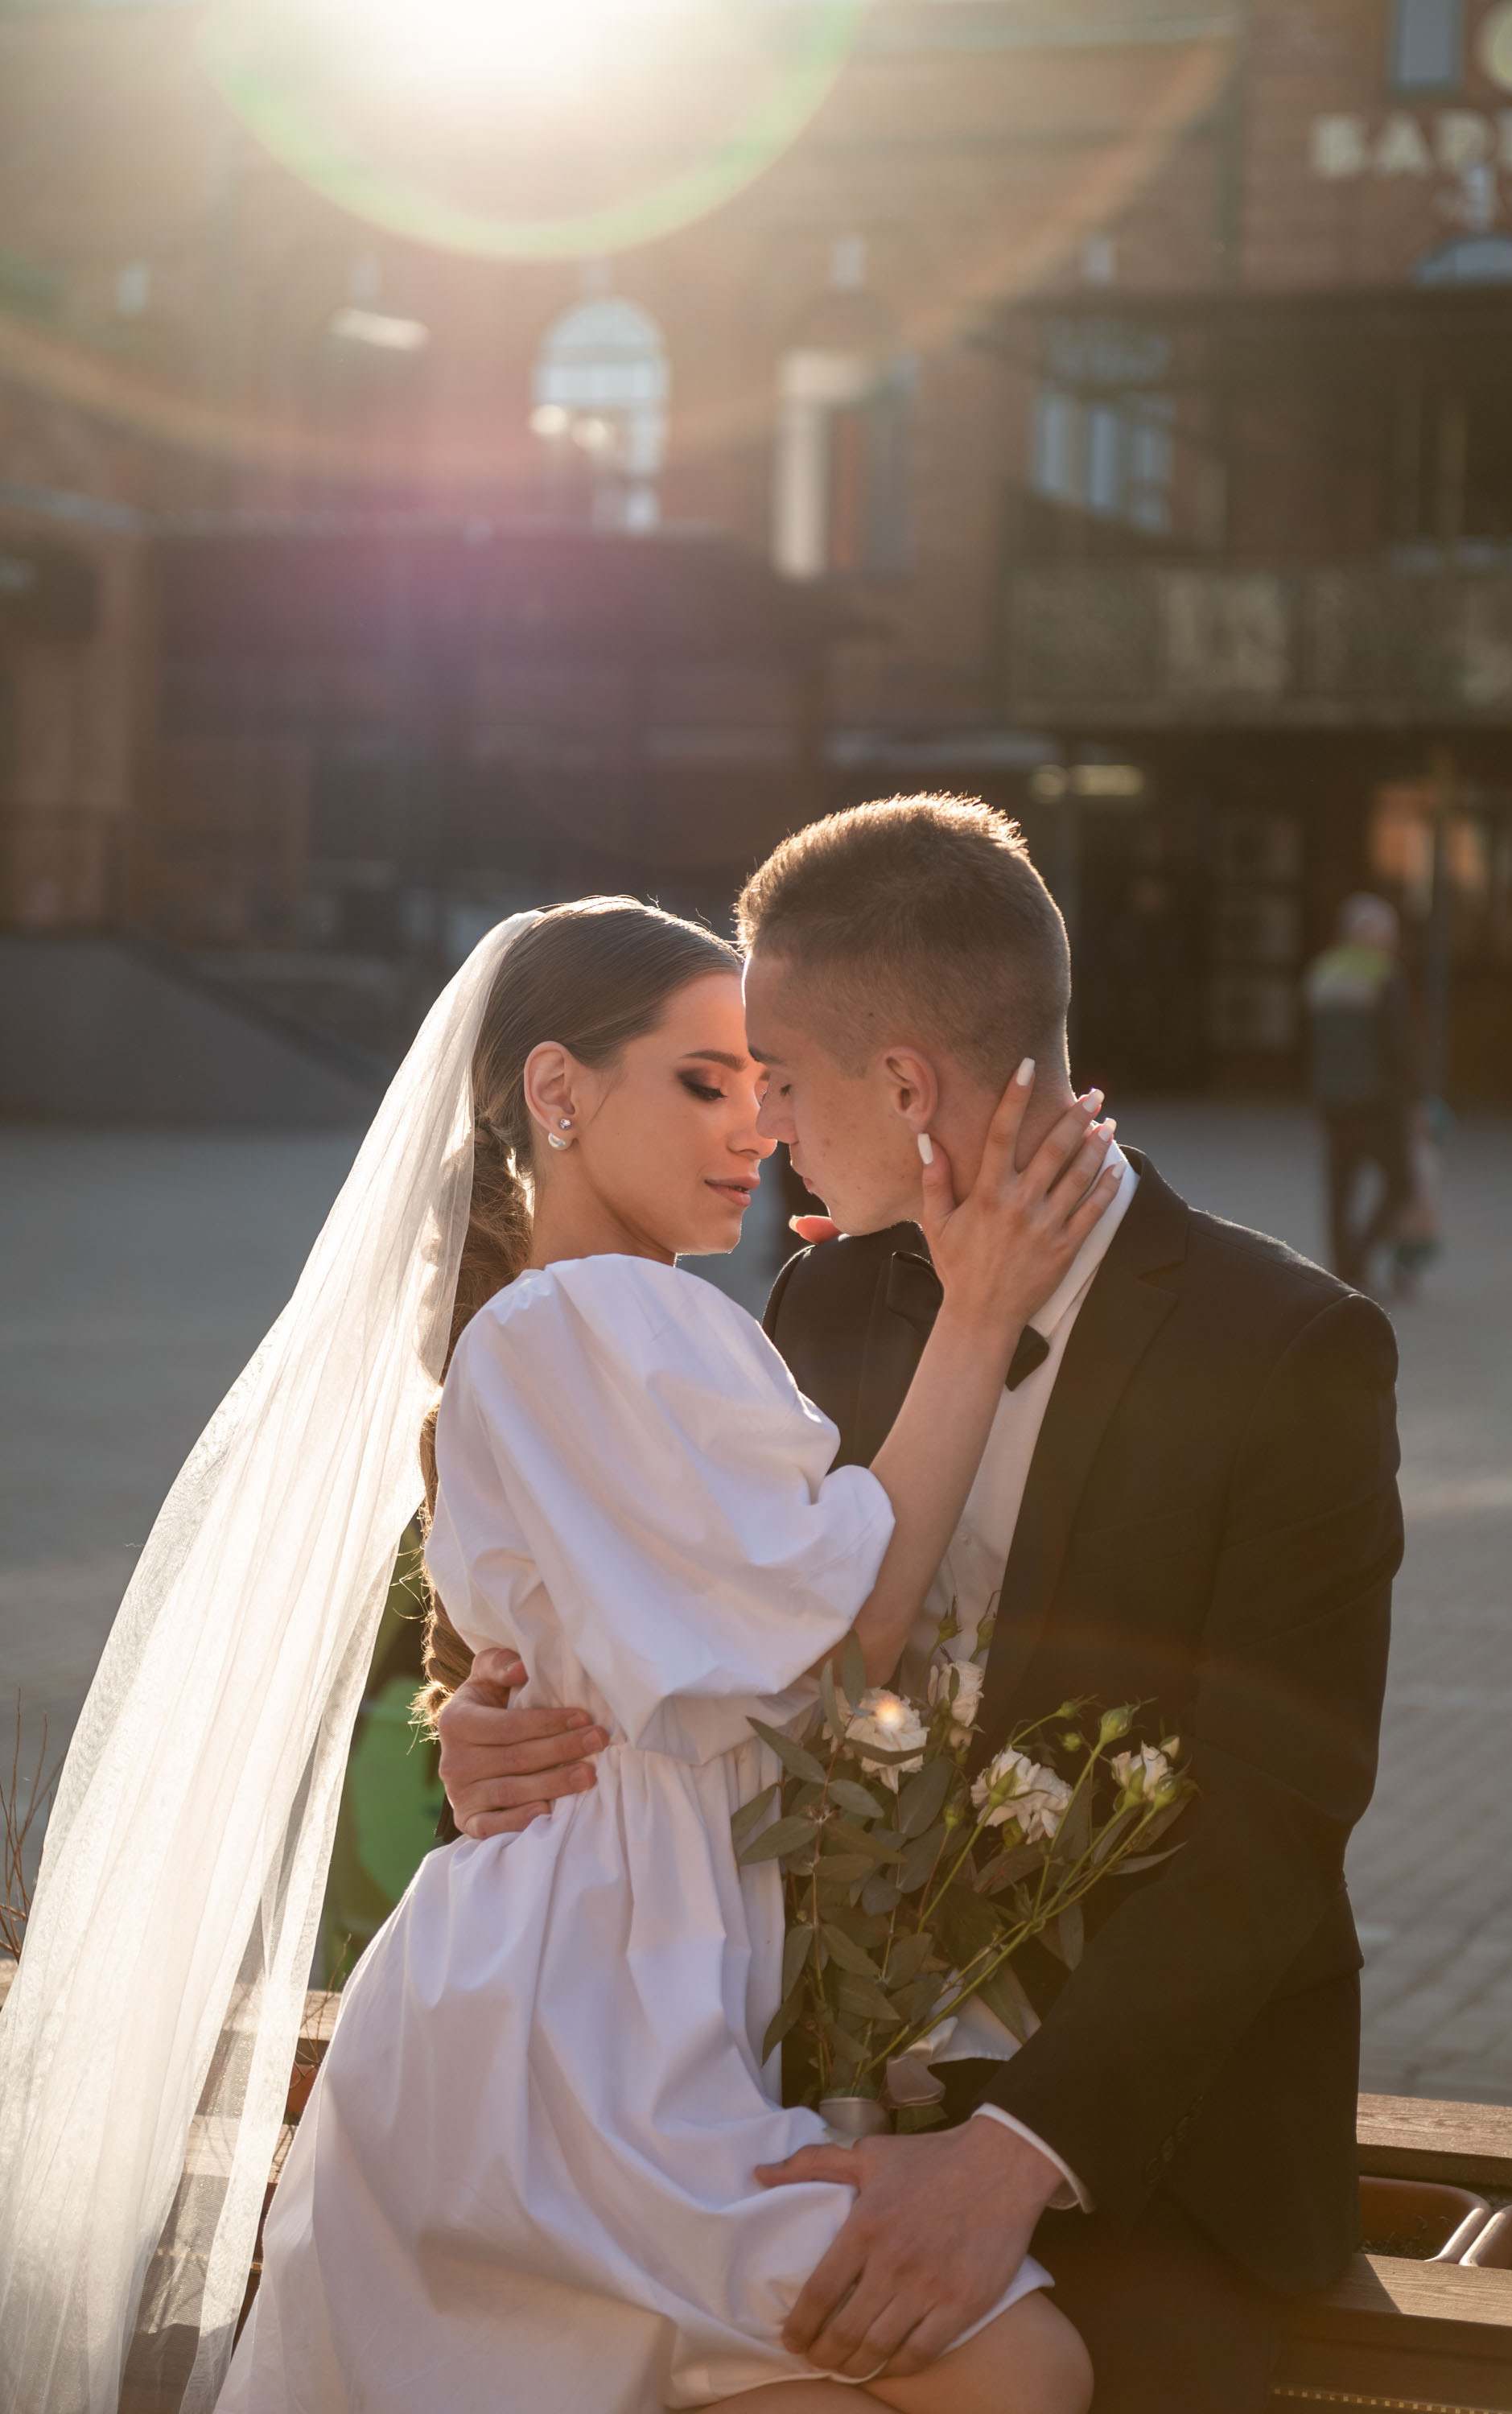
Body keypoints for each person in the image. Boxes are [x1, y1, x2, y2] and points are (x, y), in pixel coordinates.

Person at [439, 801, 1402, 2414]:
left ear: (900, 1085)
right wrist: (491, 1731)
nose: (768, 1136)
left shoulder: (1283, 1350)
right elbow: (682, 1620)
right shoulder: (822, 1294)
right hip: (775, 2078)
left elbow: (1270, 1826)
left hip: (1130, 2136)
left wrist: (1010, 2160)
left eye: (785, 1083)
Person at [214, 897, 1119, 2414]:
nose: (755, 1128)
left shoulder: (586, 1327)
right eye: (702, 1082)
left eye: (763, 1086)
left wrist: (470, 1726)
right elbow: (844, 1631)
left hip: (593, 1995)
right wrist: (977, 1314)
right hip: (579, 2025)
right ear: (556, 1091)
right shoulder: (600, 1316)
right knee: (1014, 2368)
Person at [1303, 892, 1423, 1291]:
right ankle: (1359, 1254)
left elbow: (1307, 1040)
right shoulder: (1383, 973)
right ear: (1372, 935)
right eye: (1388, 933)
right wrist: (1416, 1095)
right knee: (1402, 1181)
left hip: (1330, 1098)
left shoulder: (1321, 972)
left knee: (1341, 1183)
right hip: (1375, 1098)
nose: (1391, 941)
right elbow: (1396, 1042)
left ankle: (1344, 1266)